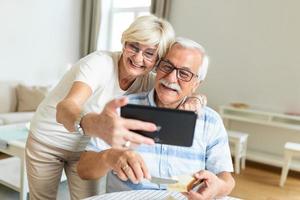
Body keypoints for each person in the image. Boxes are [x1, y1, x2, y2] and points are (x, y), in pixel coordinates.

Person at [25, 15, 206, 200]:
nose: (138, 58)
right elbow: (66, 107)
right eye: (133, 46)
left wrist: (196, 100)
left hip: (86, 149)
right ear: (124, 42)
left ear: (157, 61)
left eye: (149, 53)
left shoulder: (147, 81)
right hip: (49, 140)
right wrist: (91, 124)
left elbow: (178, 88)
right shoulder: (99, 64)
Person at [77, 37, 235, 200]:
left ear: (196, 83)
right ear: (157, 67)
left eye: (184, 73)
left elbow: (226, 180)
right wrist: (110, 156)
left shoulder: (211, 121)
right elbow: (84, 170)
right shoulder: (122, 109)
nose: (171, 78)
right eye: (167, 66)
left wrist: (217, 186)